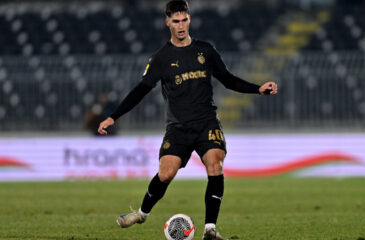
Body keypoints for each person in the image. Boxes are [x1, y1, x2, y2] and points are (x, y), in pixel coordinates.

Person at [97, 1, 278, 239]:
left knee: (215, 164)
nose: (180, 26)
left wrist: (258, 89)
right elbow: (140, 90)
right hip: (178, 127)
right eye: (175, 21)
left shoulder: (205, 50)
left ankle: (210, 230)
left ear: (189, 19)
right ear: (167, 23)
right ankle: (141, 214)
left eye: (184, 20)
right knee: (166, 173)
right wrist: (113, 116)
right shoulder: (161, 58)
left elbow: (228, 79)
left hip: (207, 122)